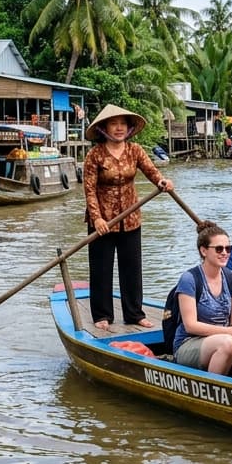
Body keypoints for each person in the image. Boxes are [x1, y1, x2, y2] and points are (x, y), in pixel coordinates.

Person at [82, 103, 173, 330]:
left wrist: (162, 182)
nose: (119, 128)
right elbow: (89, 190)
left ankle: (134, 314)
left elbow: (152, 171)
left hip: (131, 219)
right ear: (104, 128)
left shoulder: (135, 151)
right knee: (101, 269)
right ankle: (102, 315)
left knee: (132, 268)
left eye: (123, 124)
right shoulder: (95, 155)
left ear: (129, 128)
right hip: (103, 222)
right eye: (114, 124)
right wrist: (97, 219)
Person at [172, 221, 232, 375]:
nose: (224, 253)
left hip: (224, 338)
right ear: (204, 251)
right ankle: (213, 387)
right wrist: (227, 332)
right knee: (226, 343)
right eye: (219, 249)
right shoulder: (190, 279)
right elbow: (191, 325)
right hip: (189, 343)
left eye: (228, 248)